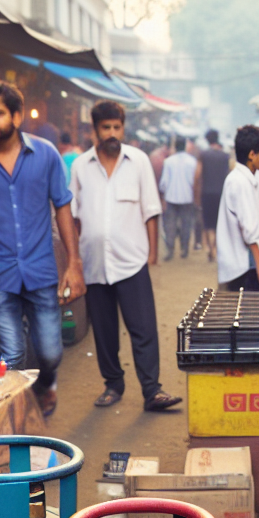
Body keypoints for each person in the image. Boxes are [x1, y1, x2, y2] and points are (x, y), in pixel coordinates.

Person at [0, 80, 84, 418]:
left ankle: (44, 385)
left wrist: (74, 264)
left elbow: (63, 208)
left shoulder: (46, 155)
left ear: (18, 116)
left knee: (51, 351)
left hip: (40, 270)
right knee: (11, 354)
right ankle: (18, 418)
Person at [69, 99, 181, 413]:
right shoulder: (80, 166)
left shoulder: (139, 161)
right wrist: (73, 262)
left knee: (143, 327)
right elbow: (73, 217)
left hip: (132, 260)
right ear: (95, 130)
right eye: (106, 128)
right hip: (94, 263)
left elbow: (151, 209)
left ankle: (152, 390)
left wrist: (152, 256)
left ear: (123, 127)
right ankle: (113, 385)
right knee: (103, 331)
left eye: (117, 127)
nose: (113, 133)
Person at [217, 125, 259, 291]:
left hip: (243, 265)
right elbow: (249, 229)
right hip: (244, 268)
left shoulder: (240, 178)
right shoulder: (240, 182)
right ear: (252, 155)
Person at [159, 135, 198, 260]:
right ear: (185, 146)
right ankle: (184, 249)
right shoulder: (192, 161)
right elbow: (194, 181)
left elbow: (164, 182)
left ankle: (170, 250)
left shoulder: (169, 161)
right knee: (186, 224)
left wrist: (163, 194)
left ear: (175, 146)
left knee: (170, 224)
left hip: (171, 197)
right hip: (187, 198)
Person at [195, 129, 229, 260]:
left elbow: (197, 175)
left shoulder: (203, 155)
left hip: (207, 193)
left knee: (208, 224)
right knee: (219, 223)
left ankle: (211, 249)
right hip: (221, 193)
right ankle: (215, 248)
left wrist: (196, 194)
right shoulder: (225, 156)